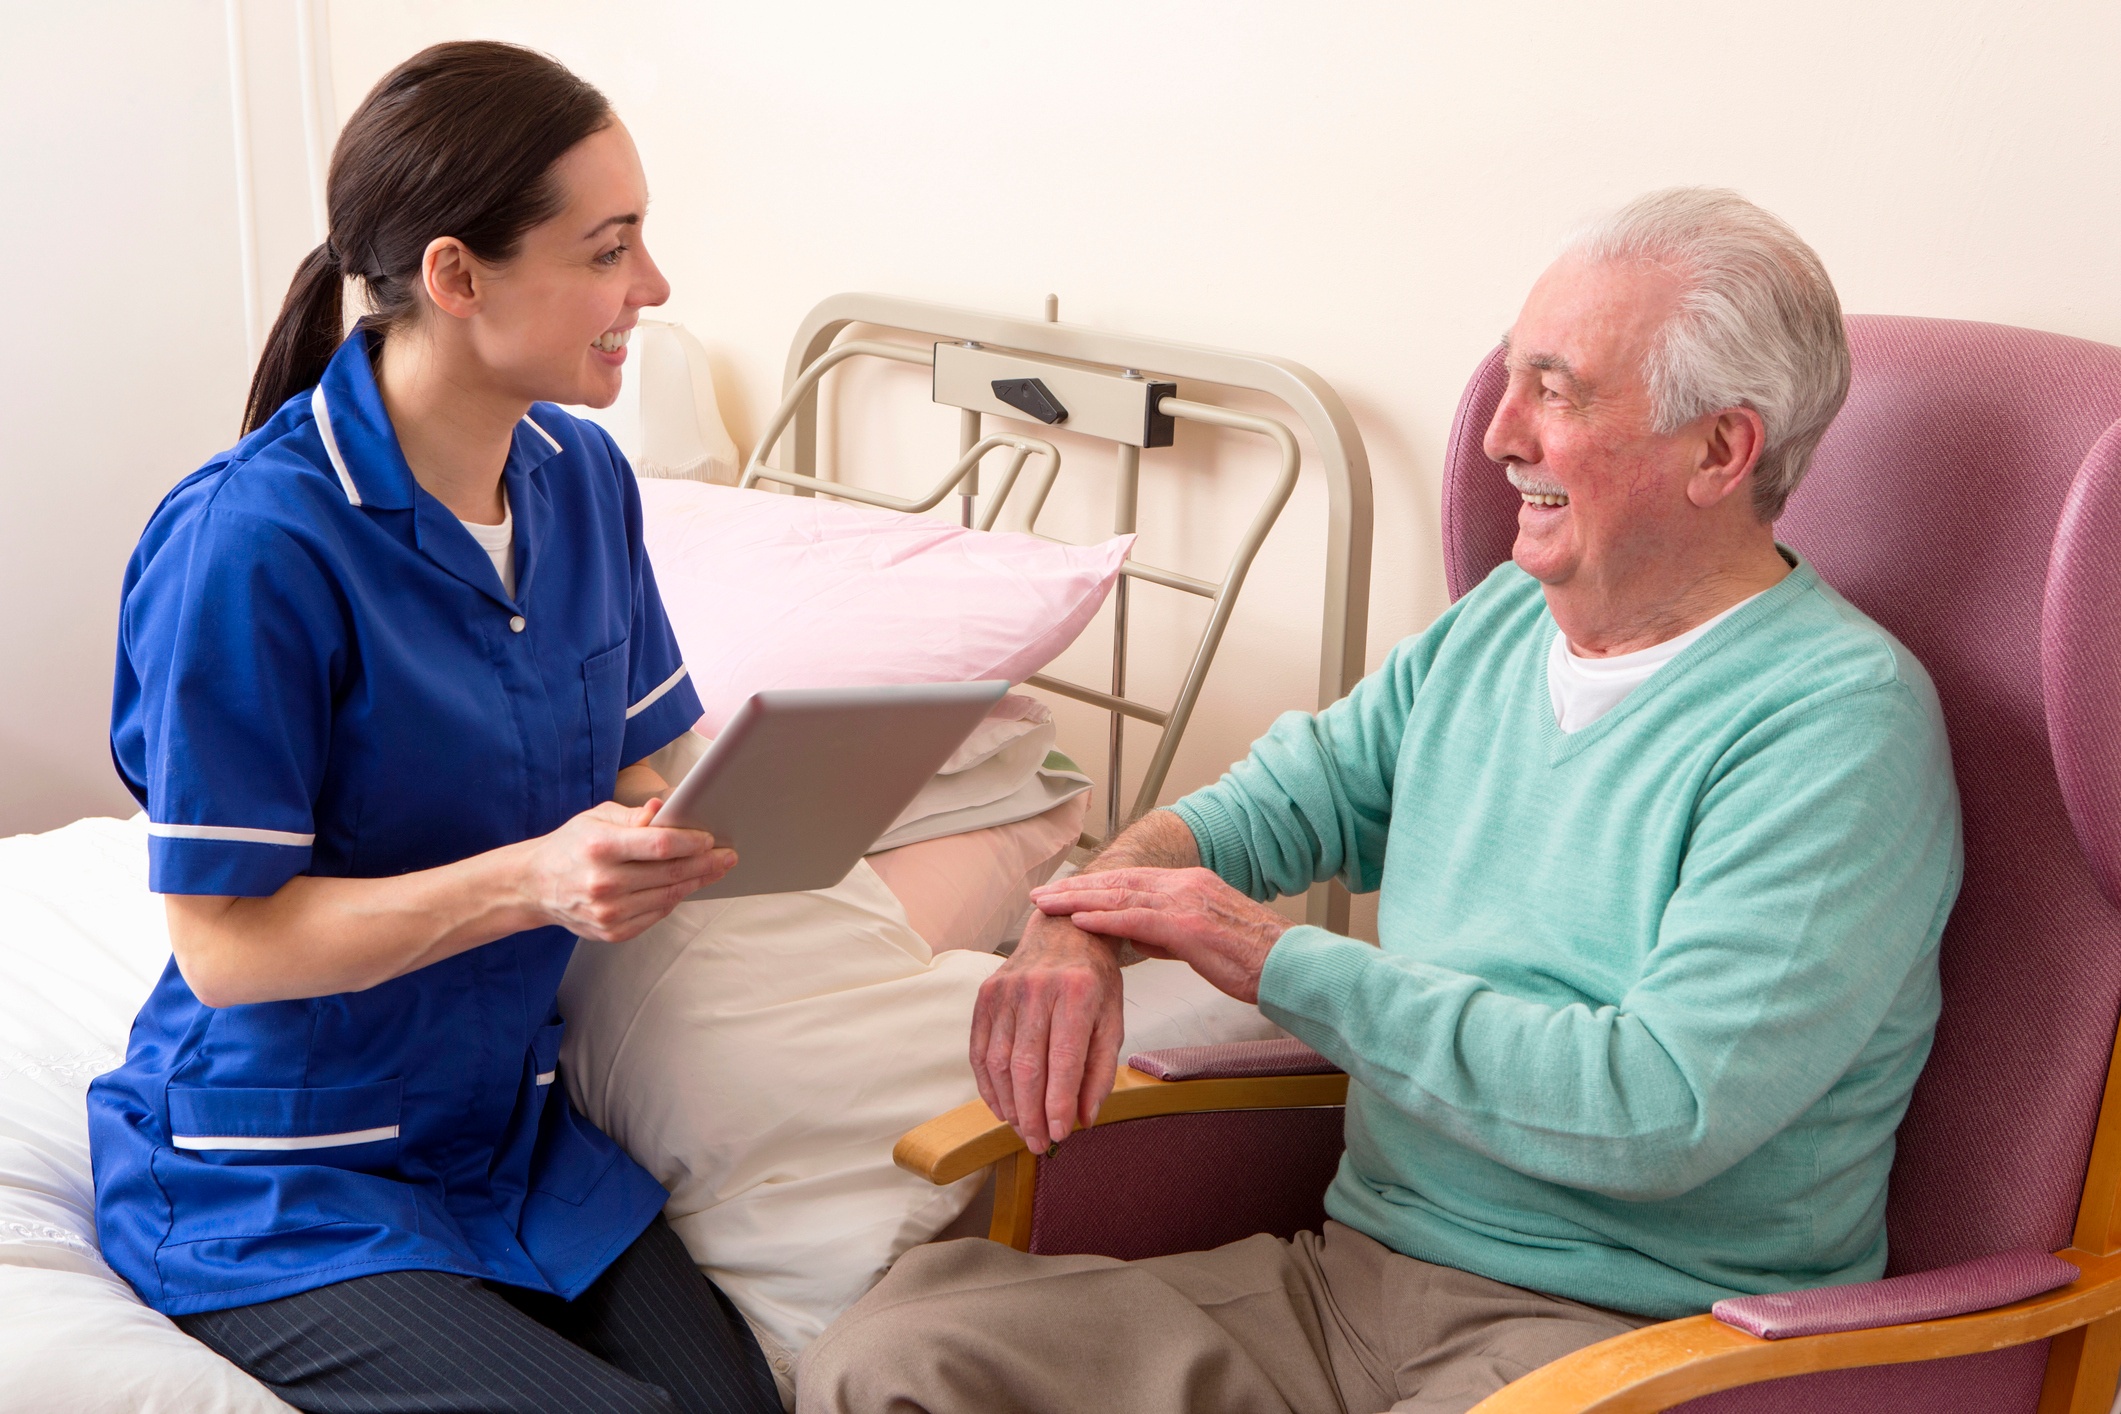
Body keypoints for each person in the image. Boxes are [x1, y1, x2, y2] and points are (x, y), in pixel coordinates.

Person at [796, 188, 1962, 1414]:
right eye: (1512, 378)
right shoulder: (1505, 624)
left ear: (1721, 451)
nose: (1501, 434)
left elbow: (1657, 1110)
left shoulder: (1837, 725)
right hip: (1343, 1288)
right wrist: (1078, 916)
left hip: (1628, 1340)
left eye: (1558, 391)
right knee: (892, 1361)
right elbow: (1268, 806)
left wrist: (1279, 961)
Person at [88, 42, 780, 1414]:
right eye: (607, 251)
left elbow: (642, 761)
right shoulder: (254, 541)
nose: (651, 289)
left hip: (508, 1137)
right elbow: (224, 947)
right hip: (280, 1168)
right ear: (458, 277)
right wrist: (534, 879)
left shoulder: (580, 480)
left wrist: (737, 809)